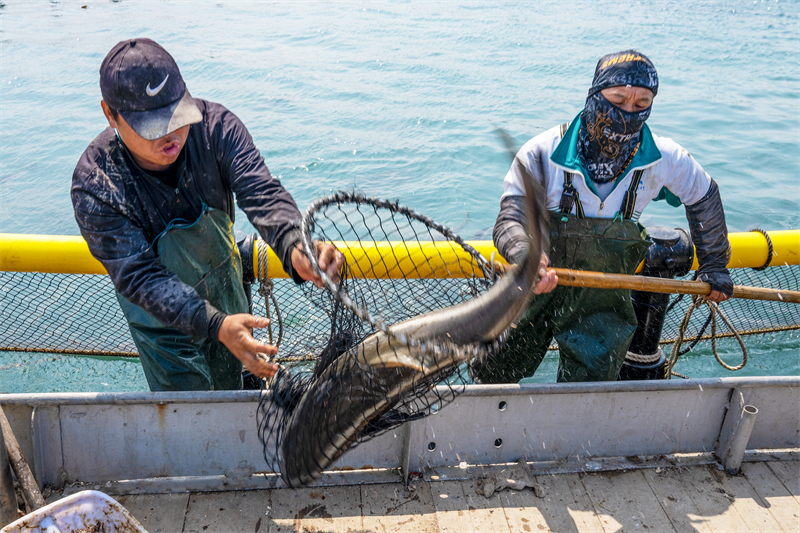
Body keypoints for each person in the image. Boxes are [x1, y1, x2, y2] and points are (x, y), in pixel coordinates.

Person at [71, 38, 343, 391]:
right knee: (193, 419)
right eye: (152, 125)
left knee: (243, 389)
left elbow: (261, 191)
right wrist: (216, 325)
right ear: (110, 114)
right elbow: (139, 276)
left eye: (175, 115)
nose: (170, 133)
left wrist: (294, 245)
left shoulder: (216, 127)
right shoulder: (96, 183)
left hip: (227, 292)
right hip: (164, 327)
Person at [477, 50, 732, 384]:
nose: (628, 112)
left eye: (641, 104)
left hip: (601, 297)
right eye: (617, 99)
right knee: (498, 364)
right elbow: (511, 217)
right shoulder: (542, 151)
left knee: (590, 384)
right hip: (534, 283)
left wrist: (714, 264)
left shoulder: (666, 157)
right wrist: (526, 256)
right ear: (595, 95)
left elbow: (704, 196)